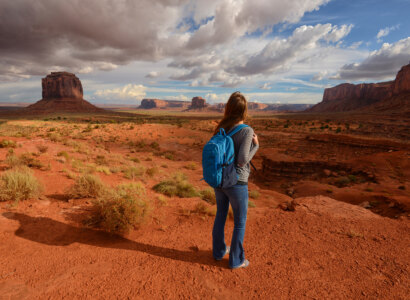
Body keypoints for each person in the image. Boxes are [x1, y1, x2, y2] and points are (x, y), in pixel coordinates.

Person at [212, 91, 259, 269]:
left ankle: (218, 252)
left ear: (228, 109)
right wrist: (257, 146)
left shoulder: (221, 128)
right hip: (237, 182)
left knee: (220, 216)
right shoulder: (247, 130)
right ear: (244, 110)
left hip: (219, 180)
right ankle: (237, 260)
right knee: (239, 222)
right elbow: (242, 160)